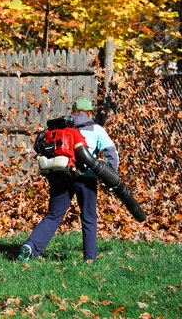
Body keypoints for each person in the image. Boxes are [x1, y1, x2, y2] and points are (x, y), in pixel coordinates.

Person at [19, 99, 119, 262]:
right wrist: (111, 176)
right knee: (88, 217)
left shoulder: (59, 128)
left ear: (73, 112)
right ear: (89, 113)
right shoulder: (96, 129)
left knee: (53, 216)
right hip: (87, 178)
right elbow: (111, 154)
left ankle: (31, 246)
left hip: (61, 175)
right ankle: (90, 259)